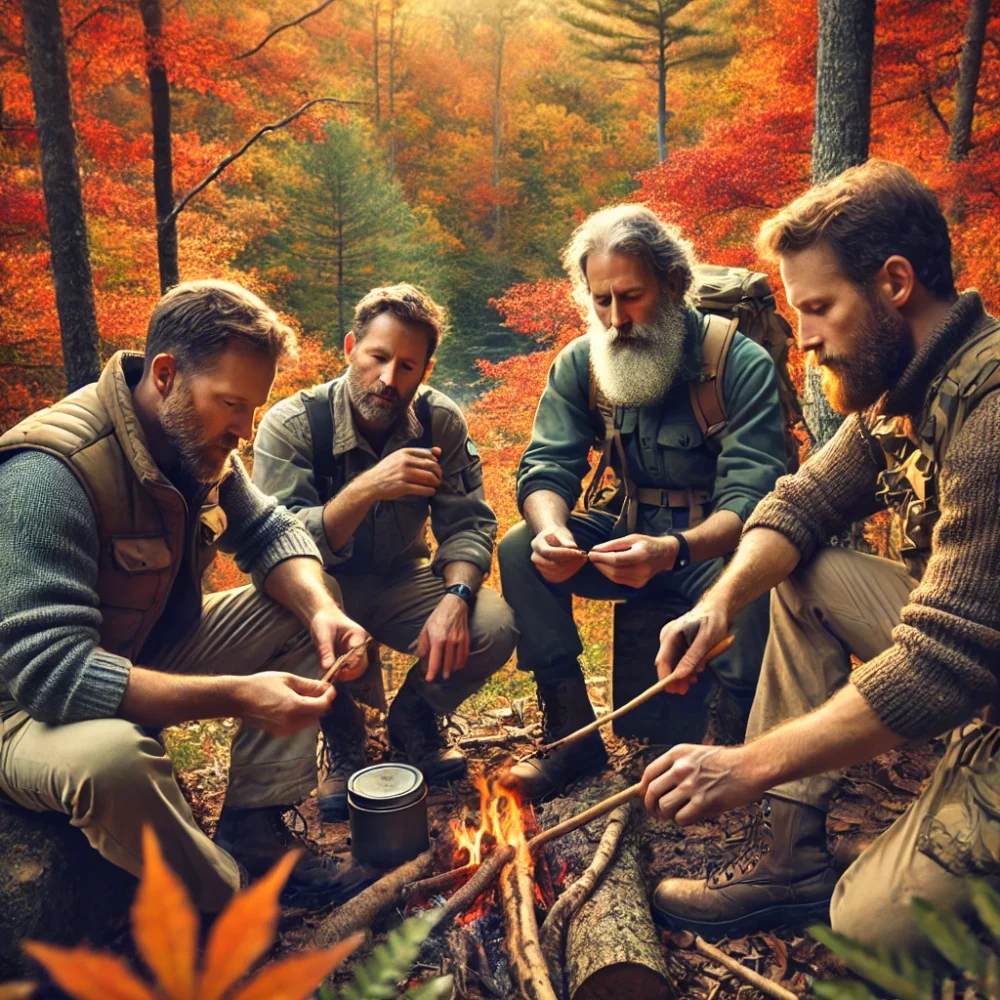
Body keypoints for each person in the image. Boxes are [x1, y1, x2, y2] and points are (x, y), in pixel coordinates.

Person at [642, 159, 1000, 950]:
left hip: (971, 681)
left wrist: (745, 766)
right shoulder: (904, 386)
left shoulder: (992, 413)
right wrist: (717, 603)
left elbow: (940, 666)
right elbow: (800, 504)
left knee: (867, 925)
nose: (801, 337)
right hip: (973, 670)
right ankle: (790, 860)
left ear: (895, 283)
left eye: (818, 307)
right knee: (801, 569)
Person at [0, 280, 379, 914]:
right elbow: (52, 674)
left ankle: (257, 837)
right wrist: (237, 696)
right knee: (114, 759)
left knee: (305, 599)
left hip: (136, 649)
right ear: (167, 374)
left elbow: (271, 532)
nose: (245, 430)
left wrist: (323, 611)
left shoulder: (190, 441)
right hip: (22, 708)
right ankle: (223, 905)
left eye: (254, 409)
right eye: (232, 404)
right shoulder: (49, 472)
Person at [496, 204, 786, 801]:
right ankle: (572, 740)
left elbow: (752, 498)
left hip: (712, 545)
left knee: (758, 584)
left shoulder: (737, 363)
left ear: (675, 285)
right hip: (627, 533)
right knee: (522, 549)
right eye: (600, 301)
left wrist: (674, 550)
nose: (614, 318)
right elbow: (547, 464)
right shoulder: (582, 362)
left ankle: (727, 749)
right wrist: (553, 530)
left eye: (630, 297)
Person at [252, 283, 517, 821]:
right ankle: (343, 736)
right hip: (319, 588)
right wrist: (368, 486)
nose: (389, 379)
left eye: (407, 366)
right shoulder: (293, 425)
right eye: (377, 357)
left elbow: (468, 524)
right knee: (300, 598)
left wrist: (457, 598)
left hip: (403, 579)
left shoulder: (441, 422)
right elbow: (279, 539)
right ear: (351, 347)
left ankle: (414, 718)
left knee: (493, 623)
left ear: (425, 371)